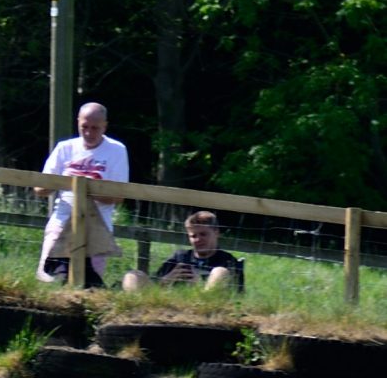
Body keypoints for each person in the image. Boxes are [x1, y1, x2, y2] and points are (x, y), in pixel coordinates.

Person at [36, 102, 129, 287]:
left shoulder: (117, 150)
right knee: (49, 279)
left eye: (95, 128)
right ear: (78, 122)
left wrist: (85, 189)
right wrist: (65, 182)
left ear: (105, 126)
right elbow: (40, 189)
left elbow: (118, 197)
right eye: (84, 127)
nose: (88, 133)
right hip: (62, 222)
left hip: (97, 227)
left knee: (88, 285)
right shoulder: (64, 148)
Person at [123, 210, 245, 292]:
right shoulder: (180, 257)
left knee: (220, 272)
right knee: (133, 276)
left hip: (207, 310)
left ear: (216, 233)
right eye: (193, 236)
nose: (198, 240)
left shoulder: (227, 261)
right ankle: (135, 313)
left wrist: (199, 285)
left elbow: (237, 294)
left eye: (203, 234)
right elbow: (154, 285)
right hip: (168, 307)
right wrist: (168, 279)